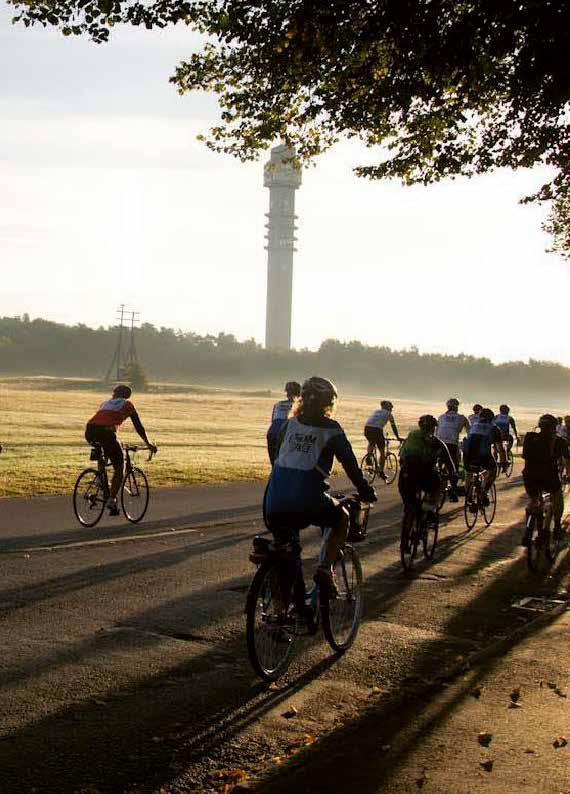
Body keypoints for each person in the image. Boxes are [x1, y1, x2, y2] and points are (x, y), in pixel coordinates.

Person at [264, 376, 376, 592]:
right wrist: (365, 490)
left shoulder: (289, 424)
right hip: (308, 501)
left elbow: (277, 456)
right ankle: (325, 569)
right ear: (329, 404)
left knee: (287, 551)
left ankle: (285, 603)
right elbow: (350, 465)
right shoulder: (331, 429)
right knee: (341, 517)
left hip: (273, 500)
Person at [85, 384, 157, 516]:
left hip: (90, 430)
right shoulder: (127, 404)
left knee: (106, 449)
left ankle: (101, 479)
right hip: (106, 433)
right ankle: (111, 500)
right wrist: (148, 443)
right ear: (127, 396)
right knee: (119, 468)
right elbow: (138, 426)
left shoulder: (105, 403)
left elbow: (103, 421)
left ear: (114, 393)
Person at [522, 413, 570, 545]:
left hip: (529, 475)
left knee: (534, 500)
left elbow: (525, 456)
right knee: (557, 497)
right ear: (555, 427)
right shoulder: (560, 441)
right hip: (549, 476)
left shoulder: (529, 437)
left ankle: (528, 530)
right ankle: (557, 527)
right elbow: (567, 461)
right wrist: (568, 475)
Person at [399, 415, 456, 518]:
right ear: (433, 428)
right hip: (426, 473)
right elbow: (449, 462)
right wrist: (453, 474)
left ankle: (408, 509)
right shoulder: (437, 442)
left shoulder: (410, 436)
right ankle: (429, 511)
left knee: (406, 494)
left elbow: (401, 457)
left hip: (406, 470)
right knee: (436, 488)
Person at [462, 408, 505, 504]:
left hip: (467, 455)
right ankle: (484, 492)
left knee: (468, 473)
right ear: (492, 419)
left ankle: (468, 496)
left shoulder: (473, 426)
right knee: (493, 470)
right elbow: (500, 449)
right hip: (483, 456)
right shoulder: (494, 429)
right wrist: (503, 462)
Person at [436, 398, 469, 502]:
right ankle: (453, 492)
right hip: (452, 444)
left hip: (438, 443)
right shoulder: (462, 418)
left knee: (438, 464)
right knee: (454, 467)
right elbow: (470, 432)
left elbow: (437, 431)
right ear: (457, 407)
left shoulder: (441, 417)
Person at [364, 400, 403, 481]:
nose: (392, 408)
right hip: (377, 430)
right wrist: (397, 437)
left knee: (371, 442)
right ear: (387, 407)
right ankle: (381, 472)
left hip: (367, 428)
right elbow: (393, 427)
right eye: (391, 406)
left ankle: (369, 456)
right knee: (382, 451)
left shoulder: (377, 411)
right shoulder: (389, 414)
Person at [266, 381, 301, 464]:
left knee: (274, 464)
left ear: (286, 392)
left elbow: (273, 420)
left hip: (272, 433)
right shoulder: (299, 406)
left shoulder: (277, 404)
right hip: (286, 435)